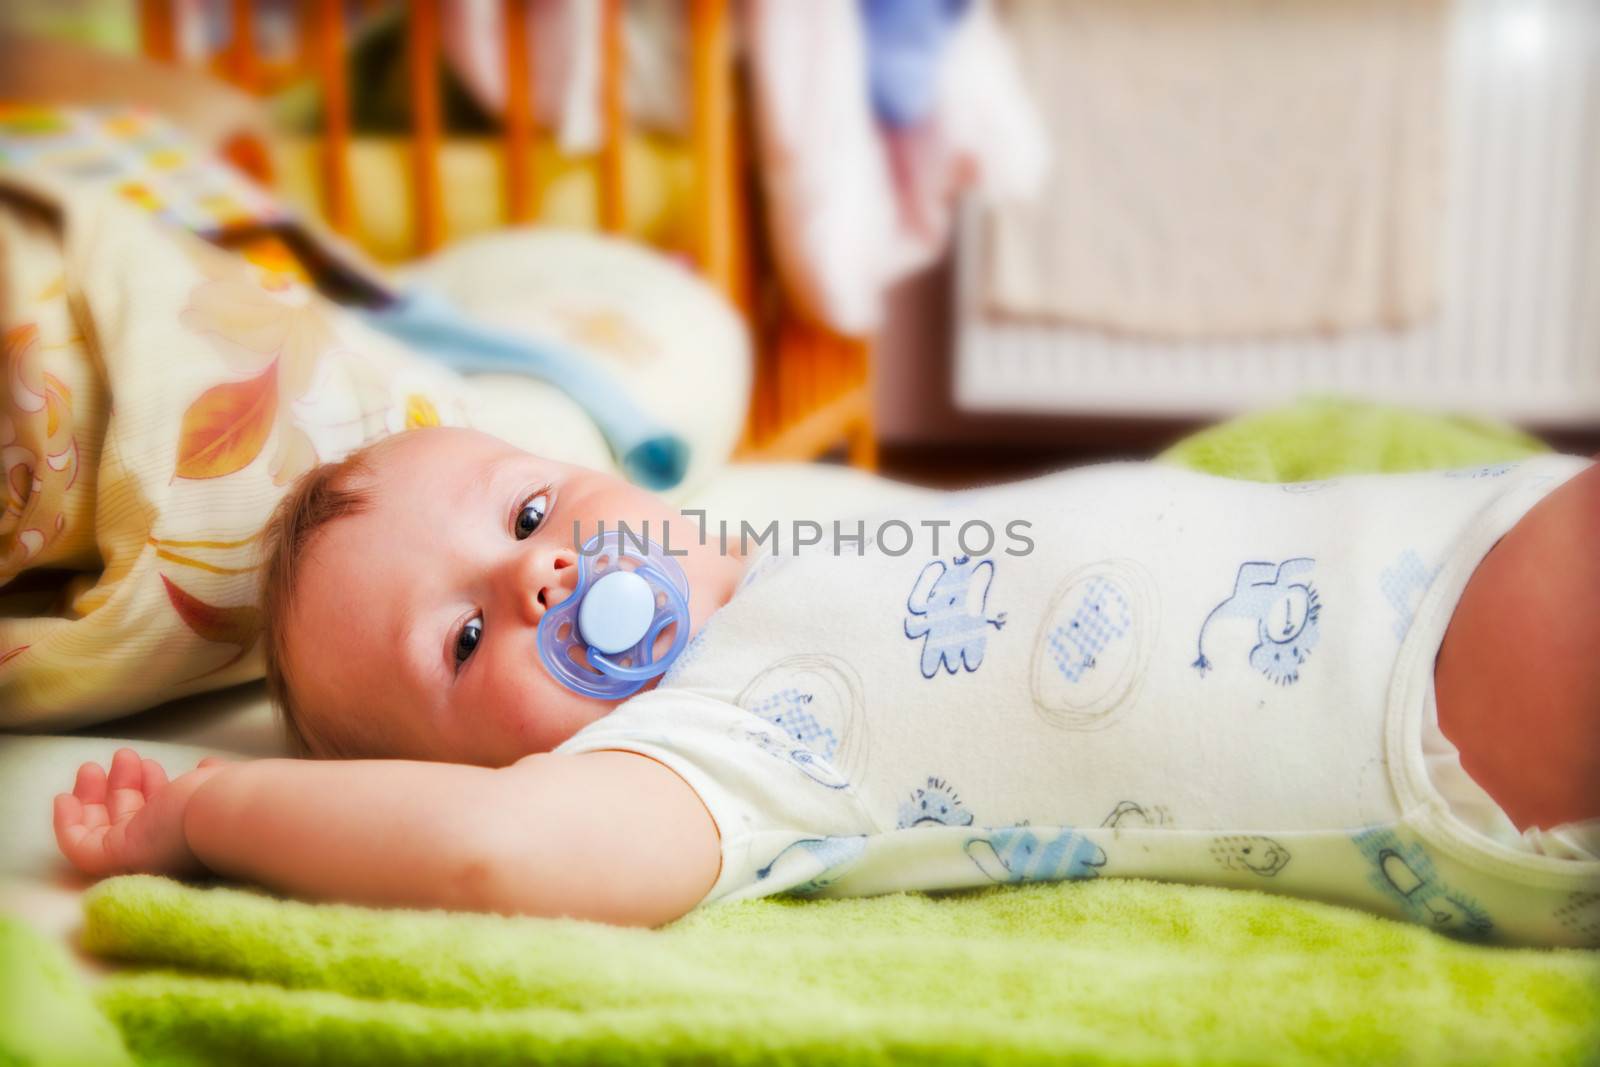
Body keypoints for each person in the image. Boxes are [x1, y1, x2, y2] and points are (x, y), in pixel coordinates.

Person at [53, 428, 1600, 945]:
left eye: (529, 515)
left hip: (1459, 524)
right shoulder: (701, 756)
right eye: (463, 645)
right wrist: (213, 813)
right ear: (466, 762)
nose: (533, 578)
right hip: (1421, 690)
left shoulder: (771, 523)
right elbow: (484, 854)